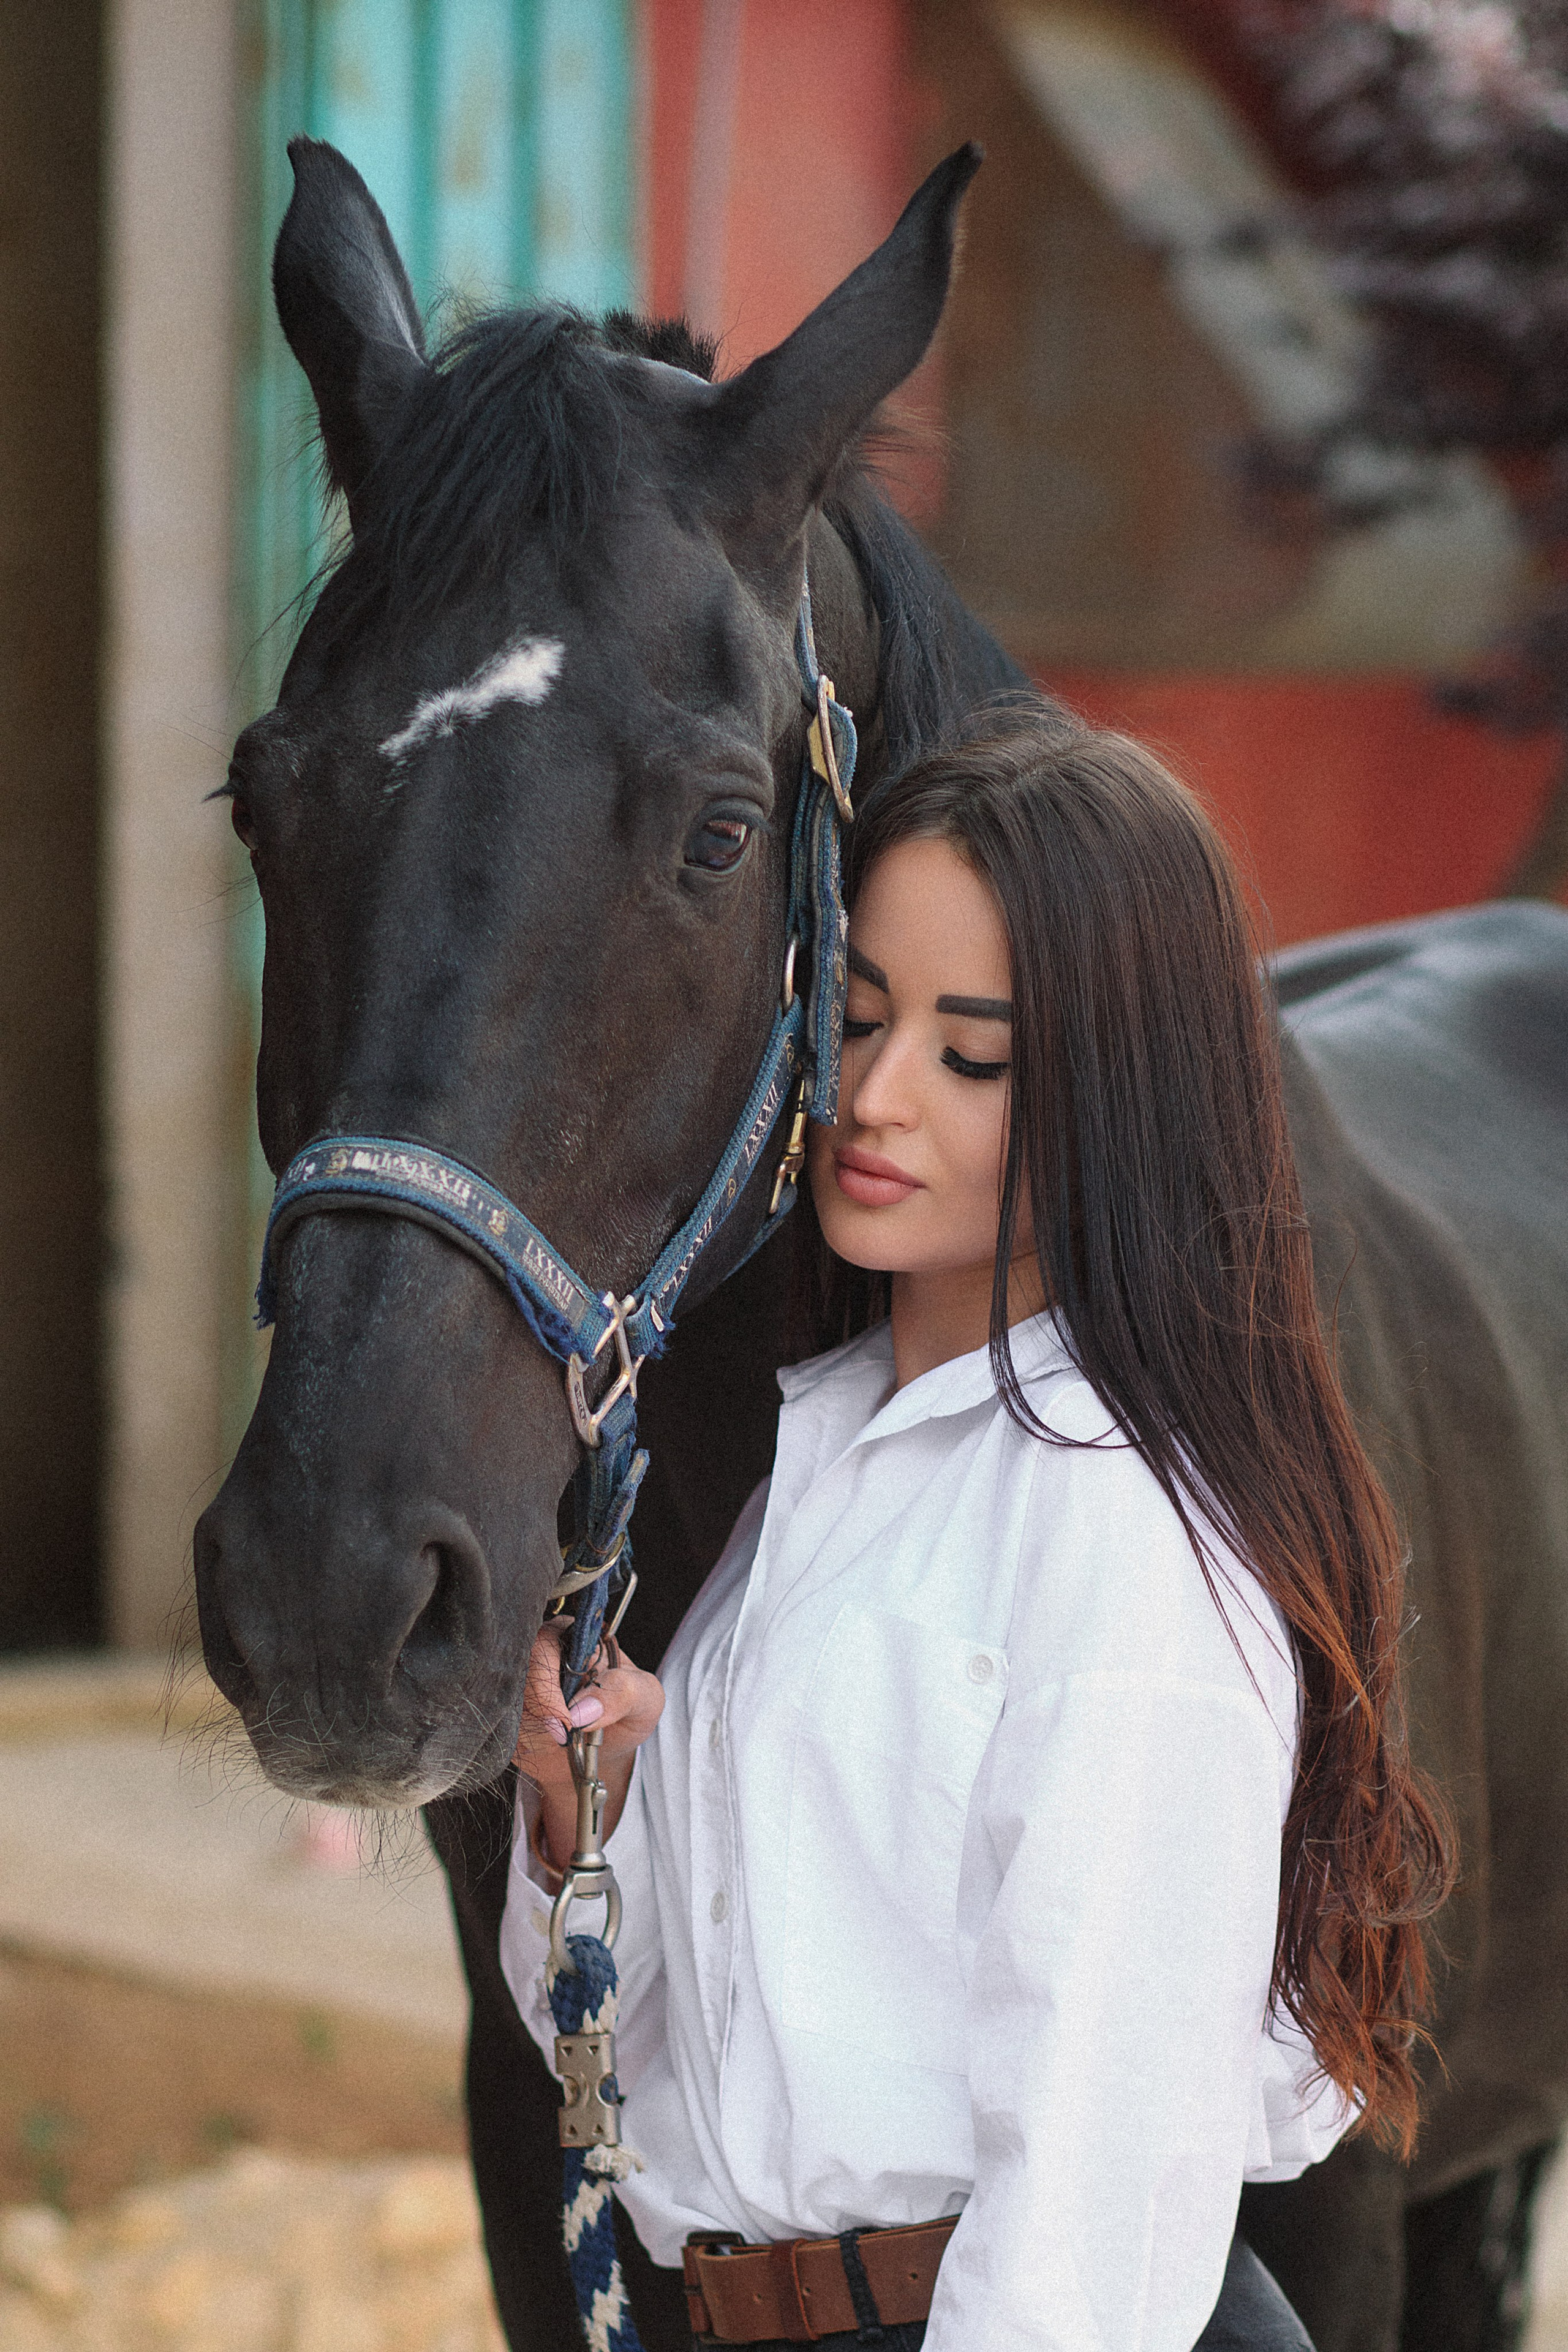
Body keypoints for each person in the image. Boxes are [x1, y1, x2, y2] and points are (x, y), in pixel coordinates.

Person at [499, 707, 1451, 2350]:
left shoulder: (1119, 1523)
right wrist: (606, 1810)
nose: (874, 1097)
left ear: (1119, 1093)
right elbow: (649, 2075)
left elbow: (1101, 2168)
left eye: (973, 1055)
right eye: (859, 1018)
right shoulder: (827, 1466)